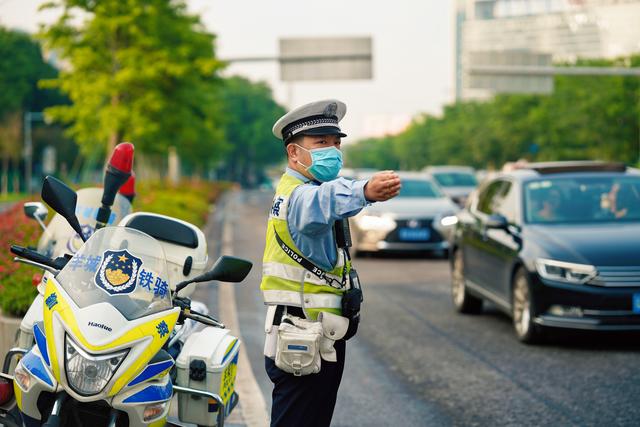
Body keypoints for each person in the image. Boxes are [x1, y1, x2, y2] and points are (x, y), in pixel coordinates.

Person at [260, 99, 400, 427]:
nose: (333, 150)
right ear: (294, 153)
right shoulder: (302, 196)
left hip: (310, 332)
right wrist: (366, 190)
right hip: (303, 334)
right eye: (321, 143)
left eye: (336, 143)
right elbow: (326, 200)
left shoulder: (299, 187)